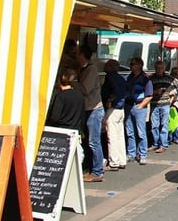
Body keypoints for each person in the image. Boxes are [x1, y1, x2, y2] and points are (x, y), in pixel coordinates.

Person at [77, 46, 104, 182]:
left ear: (82, 55)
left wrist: (71, 83)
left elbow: (85, 89)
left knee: (94, 142)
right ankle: (91, 168)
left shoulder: (91, 69)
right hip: (88, 109)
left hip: (94, 109)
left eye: (78, 54)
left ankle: (98, 171)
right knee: (89, 141)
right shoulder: (83, 69)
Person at [101, 59, 127, 171]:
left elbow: (112, 92)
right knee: (120, 135)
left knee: (111, 135)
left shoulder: (109, 78)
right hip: (121, 109)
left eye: (107, 65)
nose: (104, 67)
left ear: (111, 67)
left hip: (113, 108)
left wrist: (110, 100)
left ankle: (114, 161)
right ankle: (122, 159)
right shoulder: (121, 78)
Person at [125, 57, 153, 165]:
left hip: (139, 106)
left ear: (139, 65)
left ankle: (142, 154)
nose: (131, 66)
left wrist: (141, 105)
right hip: (129, 105)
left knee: (141, 132)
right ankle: (131, 153)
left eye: (133, 64)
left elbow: (149, 95)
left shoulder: (145, 79)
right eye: (130, 64)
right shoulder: (129, 78)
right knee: (130, 132)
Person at [148, 61, 175, 153]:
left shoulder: (168, 78)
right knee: (154, 125)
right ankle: (155, 144)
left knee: (164, 125)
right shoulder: (151, 78)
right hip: (154, 104)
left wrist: (172, 92)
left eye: (161, 68)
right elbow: (146, 90)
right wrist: (155, 92)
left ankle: (163, 144)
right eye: (157, 68)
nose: (159, 70)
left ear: (164, 69)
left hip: (165, 104)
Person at [46, 68, 84, 133]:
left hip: (61, 132)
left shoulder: (60, 96)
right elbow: (82, 116)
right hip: (75, 131)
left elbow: (55, 118)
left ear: (59, 80)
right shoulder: (79, 95)